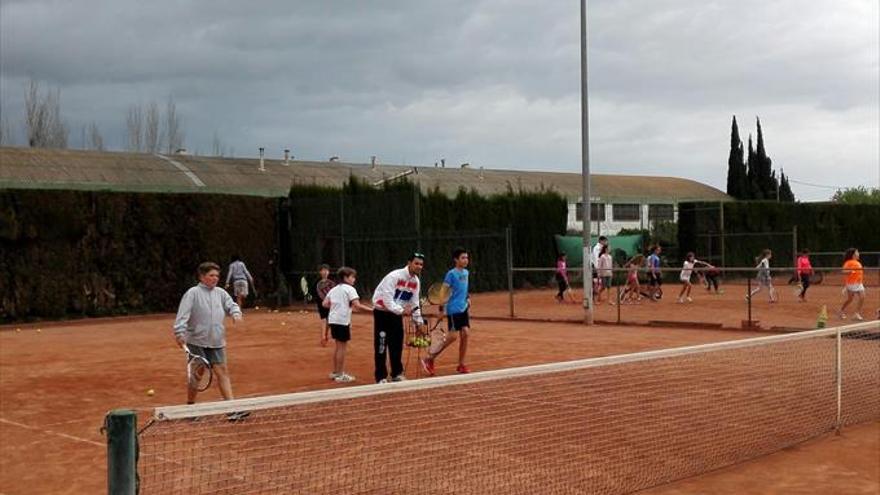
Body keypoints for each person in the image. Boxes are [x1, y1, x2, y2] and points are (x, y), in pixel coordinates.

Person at [173, 262, 248, 420]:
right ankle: (190, 408)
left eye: (217, 276)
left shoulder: (220, 293)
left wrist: (236, 313)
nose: (215, 278)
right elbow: (183, 314)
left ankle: (231, 410)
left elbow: (231, 305)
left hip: (217, 341)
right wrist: (179, 333)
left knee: (222, 372)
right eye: (211, 275)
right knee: (197, 375)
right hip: (197, 342)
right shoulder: (192, 293)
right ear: (202, 277)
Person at [372, 253, 425, 383]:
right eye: (416, 263)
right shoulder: (394, 276)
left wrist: (419, 322)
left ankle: (396, 373)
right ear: (409, 263)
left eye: (421, 264)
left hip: (396, 315)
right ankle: (381, 377)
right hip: (382, 313)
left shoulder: (416, 282)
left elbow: (414, 303)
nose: (419, 266)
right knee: (381, 345)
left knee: (396, 344)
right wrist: (402, 311)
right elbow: (387, 300)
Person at [421, 248, 472, 376]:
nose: (466, 260)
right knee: (453, 337)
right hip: (453, 309)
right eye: (463, 258)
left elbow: (464, 289)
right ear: (456, 260)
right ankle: (430, 358)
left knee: (465, 333)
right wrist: (441, 309)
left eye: (466, 258)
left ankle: (461, 364)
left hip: (464, 308)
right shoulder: (451, 274)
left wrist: (468, 298)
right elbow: (443, 291)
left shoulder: (466, 273)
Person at [323, 267, 372, 383]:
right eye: (352, 277)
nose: (354, 279)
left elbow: (325, 304)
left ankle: (335, 372)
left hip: (333, 320)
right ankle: (340, 374)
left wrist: (338, 306)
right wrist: (373, 311)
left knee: (338, 346)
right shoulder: (350, 289)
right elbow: (357, 306)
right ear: (345, 278)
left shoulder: (334, 289)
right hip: (342, 321)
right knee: (342, 348)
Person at [839, 248, 865, 320]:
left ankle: (856, 313)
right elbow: (843, 271)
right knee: (850, 299)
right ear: (853, 255)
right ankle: (841, 311)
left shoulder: (857, 262)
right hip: (851, 284)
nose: (858, 253)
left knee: (862, 297)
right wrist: (850, 271)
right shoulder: (849, 262)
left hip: (859, 283)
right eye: (857, 252)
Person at [315, 264, 334, 346]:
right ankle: (323, 337)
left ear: (329, 272)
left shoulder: (332, 282)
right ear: (320, 272)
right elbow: (315, 293)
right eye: (323, 270)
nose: (325, 272)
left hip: (331, 304)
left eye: (326, 270)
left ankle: (325, 335)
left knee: (329, 321)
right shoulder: (316, 283)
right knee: (323, 320)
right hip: (321, 304)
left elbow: (334, 292)